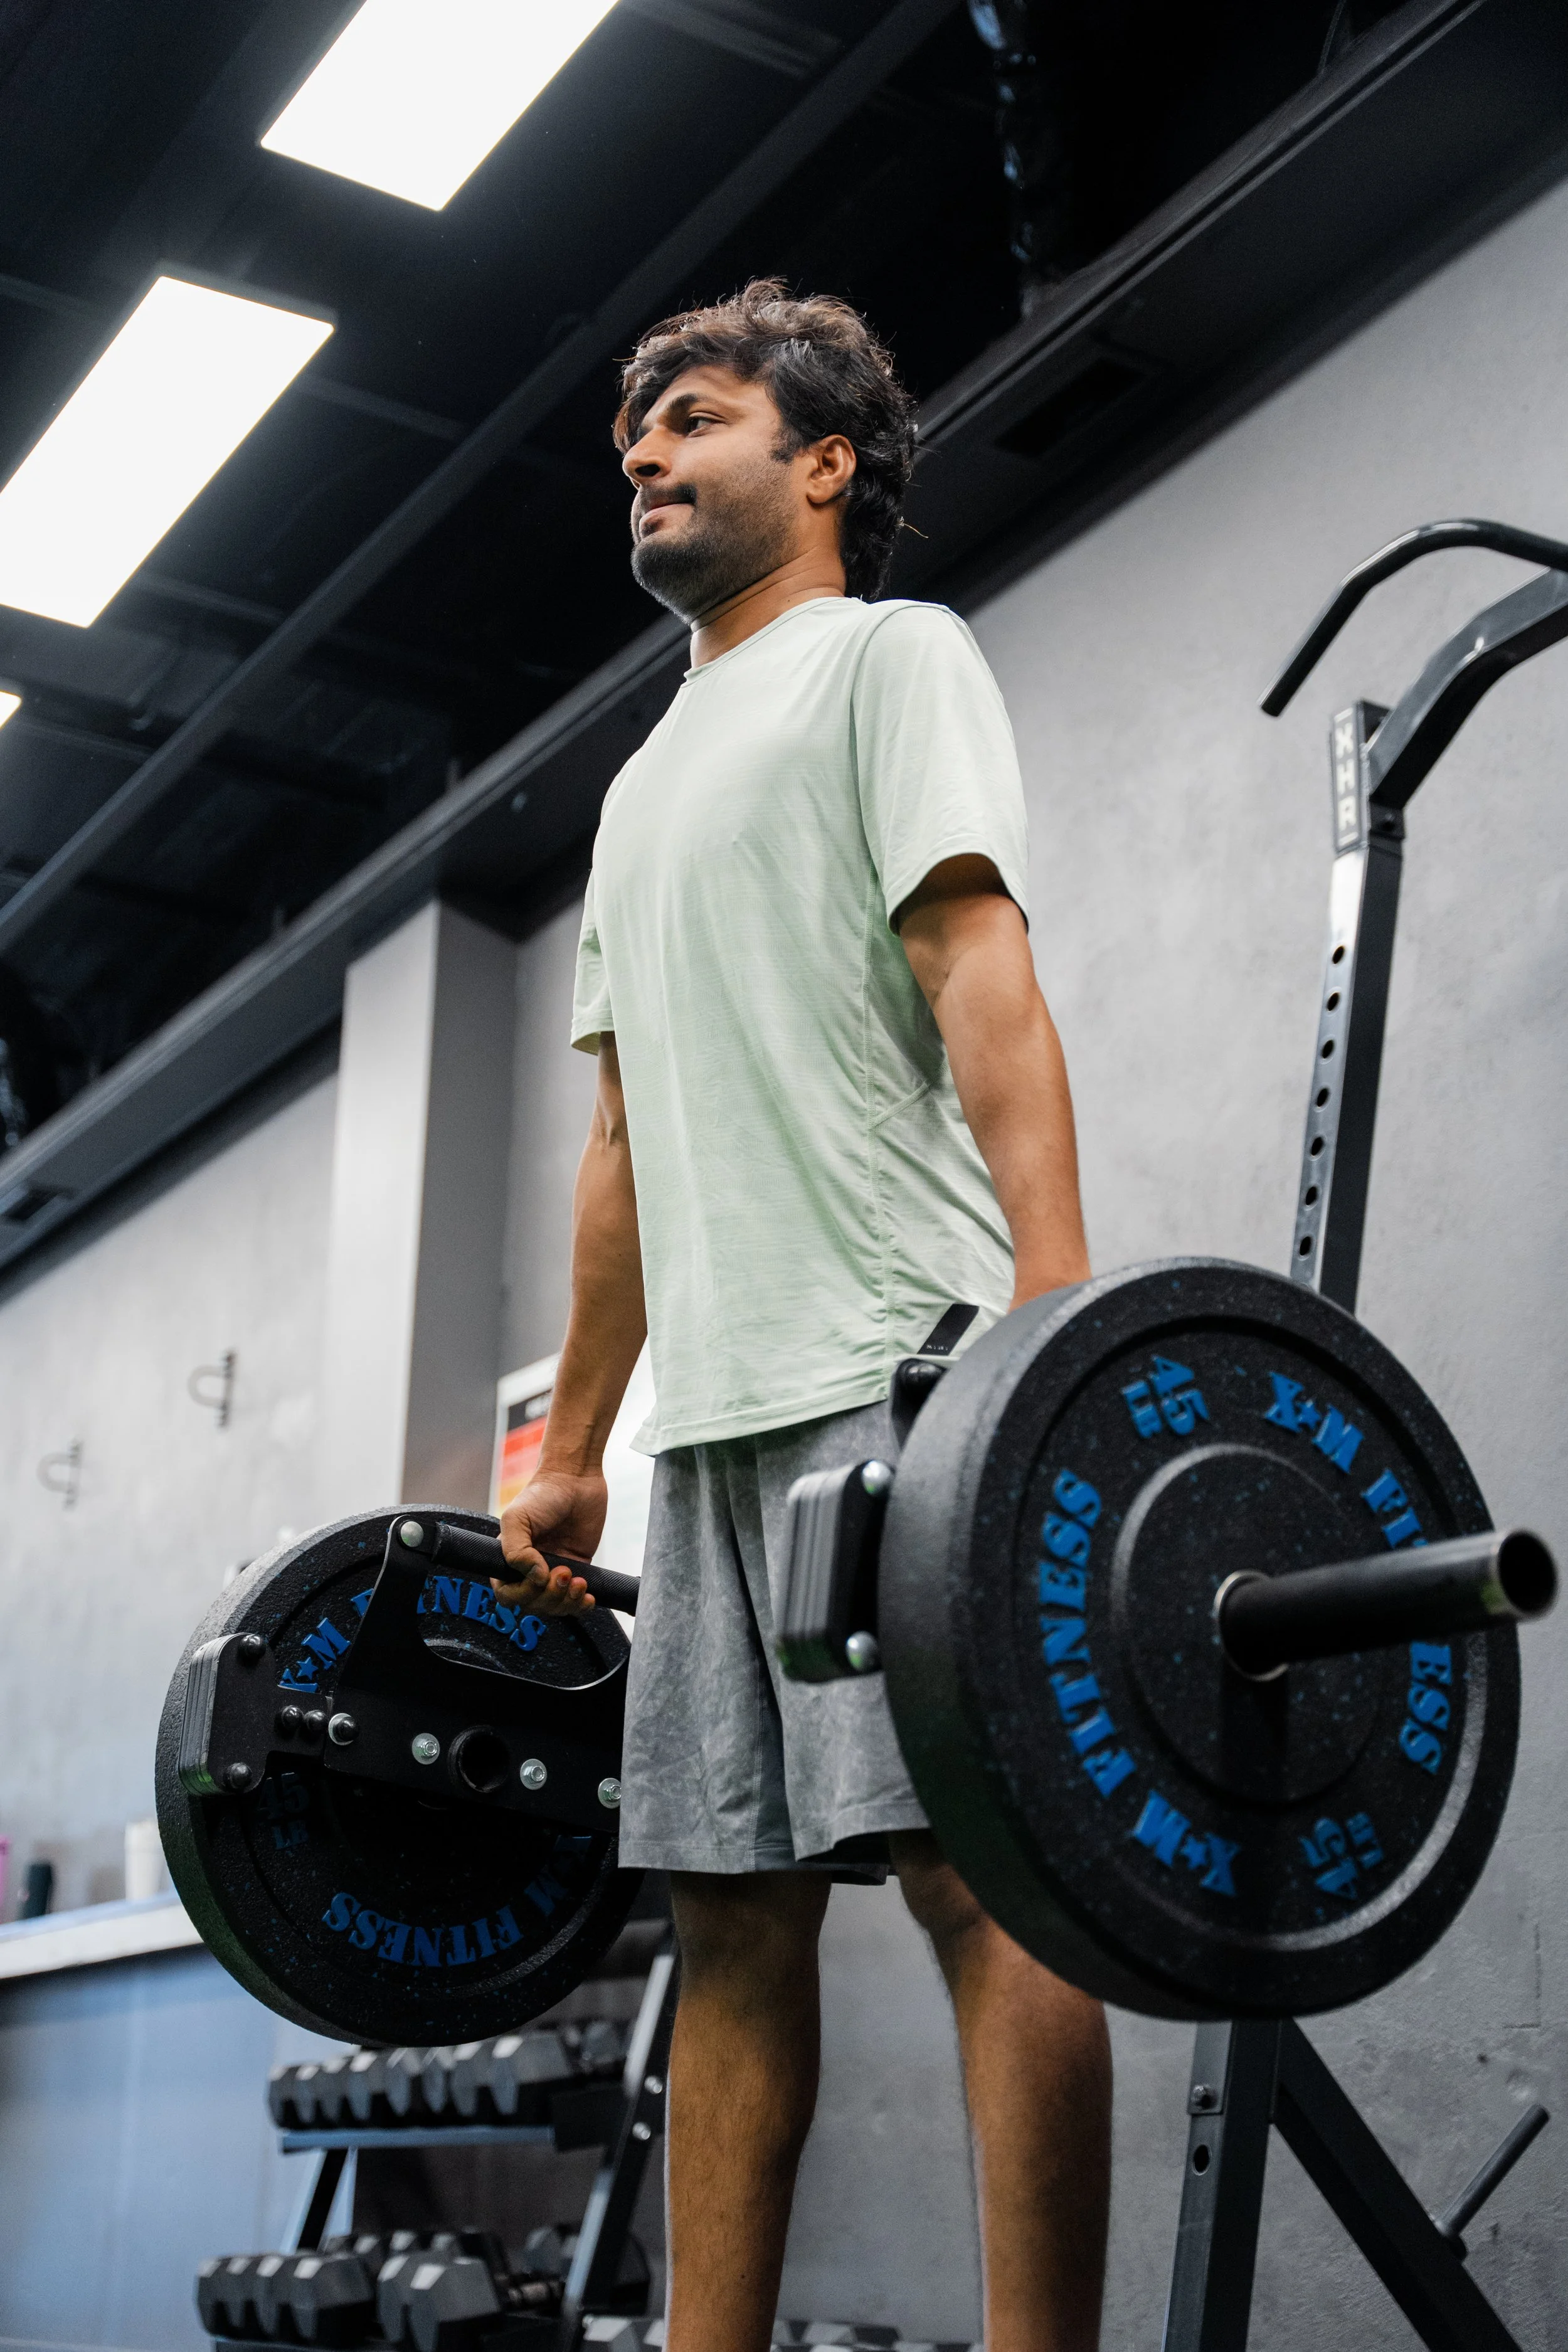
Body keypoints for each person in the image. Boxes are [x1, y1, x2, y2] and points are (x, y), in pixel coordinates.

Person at [495, 279, 1111, 2352]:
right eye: (631, 443)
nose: (645, 458)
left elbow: (977, 967)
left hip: (895, 1361)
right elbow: (619, 1155)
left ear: (823, 461)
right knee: (729, 1926)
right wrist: (575, 1443)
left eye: (692, 419)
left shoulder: (885, 661)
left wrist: (1054, 1317)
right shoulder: (638, 782)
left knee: (979, 1881)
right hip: (714, 1429)